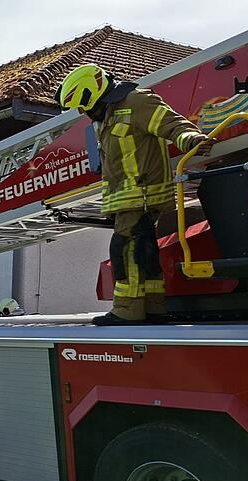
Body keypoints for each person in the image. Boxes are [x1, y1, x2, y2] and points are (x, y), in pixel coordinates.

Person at [55, 63, 213, 326]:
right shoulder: (107, 116)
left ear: (90, 94)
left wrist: (191, 140)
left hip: (141, 193)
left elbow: (171, 123)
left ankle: (127, 310)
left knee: (124, 249)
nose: (82, 112)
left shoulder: (136, 100)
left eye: (82, 105)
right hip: (127, 196)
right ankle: (153, 307)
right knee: (144, 250)